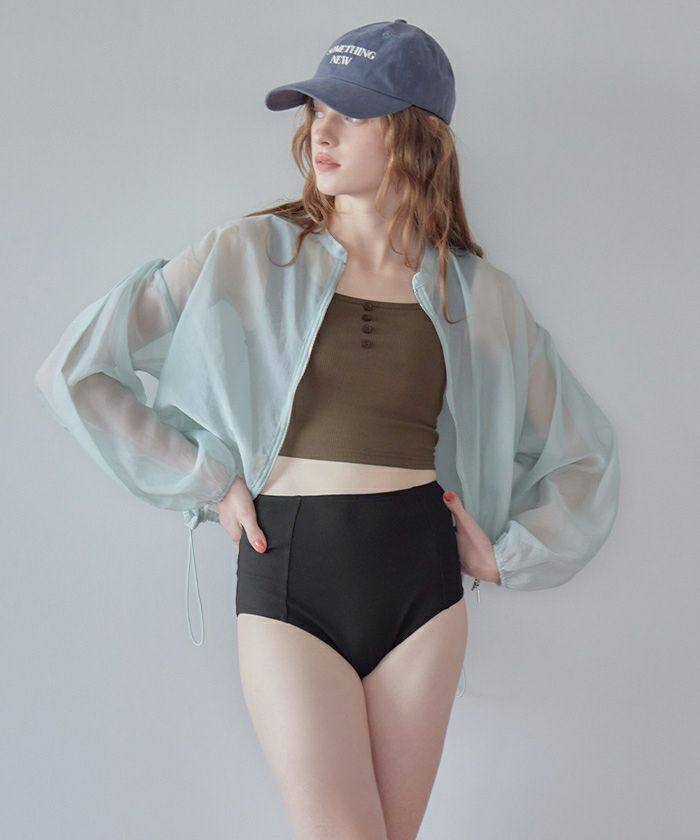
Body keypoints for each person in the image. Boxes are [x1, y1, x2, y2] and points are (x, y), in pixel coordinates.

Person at [34, 19, 620, 840]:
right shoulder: (248, 256)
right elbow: (78, 370)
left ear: (416, 134)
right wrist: (209, 480)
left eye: (352, 112)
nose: (322, 130)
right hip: (290, 571)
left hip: (423, 583)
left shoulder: (477, 296)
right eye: (317, 110)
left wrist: (510, 552)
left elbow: (583, 451)